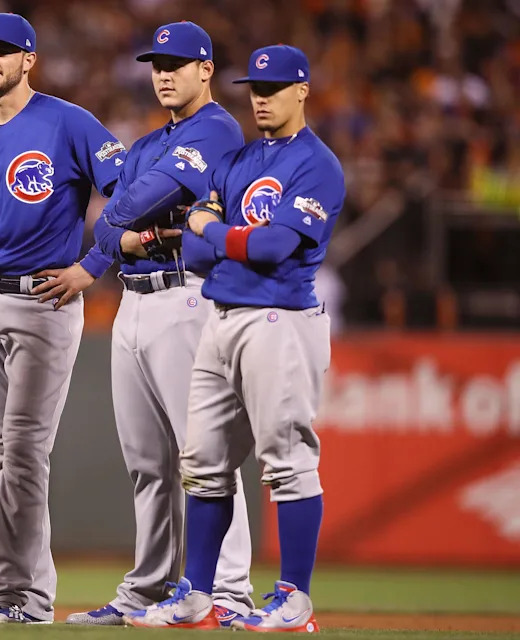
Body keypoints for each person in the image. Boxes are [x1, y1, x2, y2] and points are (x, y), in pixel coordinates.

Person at [126, 44, 344, 632]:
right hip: (220, 317)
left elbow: (273, 247)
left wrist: (214, 227)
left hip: (281, 321)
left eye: (273, 89)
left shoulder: (316, 164)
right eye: (255, 89)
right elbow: (198, 253)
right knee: (202, 463)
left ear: (302, 90)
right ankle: (197, 595)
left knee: (288, 463)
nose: (261, 98)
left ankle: (295, 600)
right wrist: (226, 236)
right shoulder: (240, 159)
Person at [61, 22, 253, 627]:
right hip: (134, 303)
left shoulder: (217, 129)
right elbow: (110, 226)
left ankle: (228, 592)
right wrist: (128, 236)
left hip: (187, 298)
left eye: (177, 63)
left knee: (205, 453)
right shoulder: (148, 143)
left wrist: (123, 229)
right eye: (157, 64)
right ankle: (148, 589)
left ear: (205, 69)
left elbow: (126, 208)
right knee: (146, 463)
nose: (164, 74)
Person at [0, 13, 125, 624]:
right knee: (8, 455)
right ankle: (21, 595)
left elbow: (128, 193)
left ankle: (18, 595)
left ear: (29, 60)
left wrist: (92, 265)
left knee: (22, 451)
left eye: (3, 50)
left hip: (46, 300)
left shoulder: (68, 122)